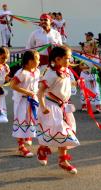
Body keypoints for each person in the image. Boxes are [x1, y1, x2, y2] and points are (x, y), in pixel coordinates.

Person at [36, 46, 79, 174]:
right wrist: (43, 107)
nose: (69, 60)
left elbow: (65, 85)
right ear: (58, 59)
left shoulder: (66, 70)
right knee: (58, 131)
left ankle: (62, 160)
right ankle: (43, 148)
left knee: (66, 133)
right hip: (52, 107)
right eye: (67, 58)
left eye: (70, 58)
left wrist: (76, 83)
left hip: (64, 106)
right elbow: (40, 92)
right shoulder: (50, 74)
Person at [10, 50, 40, 157]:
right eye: (37, 59)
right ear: (30, 61)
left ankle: (28, 136)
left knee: (30, 119)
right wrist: (27, 92)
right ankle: (21, 147)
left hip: (32, 100)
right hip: (22, 101)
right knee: (21, 121)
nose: (39, 61)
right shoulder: (21, 73)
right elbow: (12, 85)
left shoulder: (37, 71)